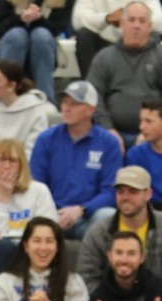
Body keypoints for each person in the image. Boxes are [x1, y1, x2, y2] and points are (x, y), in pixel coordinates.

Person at [77, 166, 162, 292]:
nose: (125, 197)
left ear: (148, 194)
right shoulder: (98, 232)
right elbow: (87, 278)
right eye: (120, 191)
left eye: (133, 191)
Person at [33, 81, 125, 241]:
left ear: (90, 109)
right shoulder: (46, 139)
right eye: (65, 102)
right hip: (49, 215)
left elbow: (111, 191)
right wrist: (51, 213)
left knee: (108, 216)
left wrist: (81, 210)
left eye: (74, 104)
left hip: (88, 217)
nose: (66, 108)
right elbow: (36, 184)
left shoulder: (109, 143)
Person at [88, 3, 162, 137]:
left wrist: (151, 129)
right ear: (122, 24)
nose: (136, 25)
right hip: (111, 133)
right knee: (92, 136)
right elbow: (93, 97)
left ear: (150, 26)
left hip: (155, 133)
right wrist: (107, 129)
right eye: (131, 20)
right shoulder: (104, 57)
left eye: (142, 21)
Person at [0, 138, 59, 282]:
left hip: (30, 256)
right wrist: (3, 199)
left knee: (11, 246)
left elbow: (48, 233)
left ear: (21, 164)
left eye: (12, 161)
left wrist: (3, 236)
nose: (6, 166)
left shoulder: (39, 190)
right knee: (3, 248)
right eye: (1, 160)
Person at [0, 59, 59, 157]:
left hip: (22, 164)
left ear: (11, 85)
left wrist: (9, 162)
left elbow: (34, 149)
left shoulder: (35, 111)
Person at [0, 0, 71, 101]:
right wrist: (20, 18)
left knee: (41, 35)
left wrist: (39, 19)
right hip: (12, 47)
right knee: (17, 35)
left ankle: (44, 99)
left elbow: (57, 29)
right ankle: (6, 97)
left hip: (43, 49)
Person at [74, 0, 162, 74]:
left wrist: (132, 21)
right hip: (102, 43)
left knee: (153, 36)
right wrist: (107, 18)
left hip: (135, 45)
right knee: (84, 36)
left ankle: (148, 87)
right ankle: (91, 88)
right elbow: (77, 20)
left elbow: (160, 23)